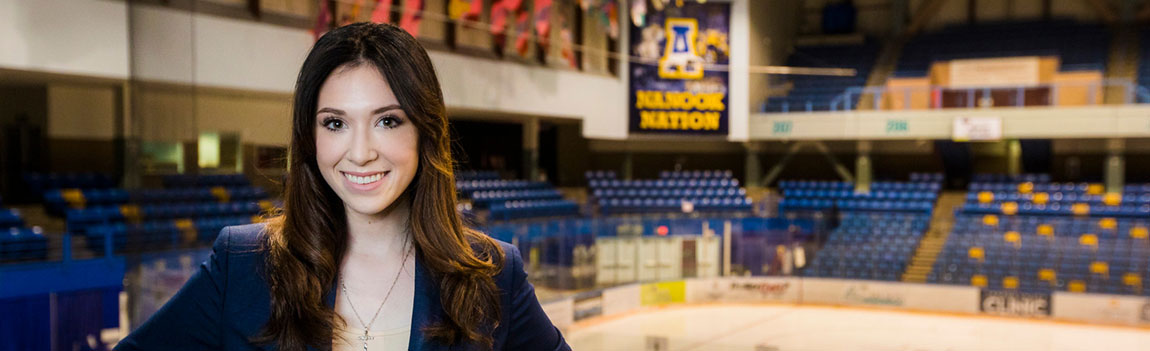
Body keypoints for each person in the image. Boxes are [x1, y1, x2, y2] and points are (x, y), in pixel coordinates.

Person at [115, 23, 570, 351]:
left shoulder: (493, 273)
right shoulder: (243, 263)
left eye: (387, 121)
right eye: (335, 123)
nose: (360, 152)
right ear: (310, 139)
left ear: (423, 131)